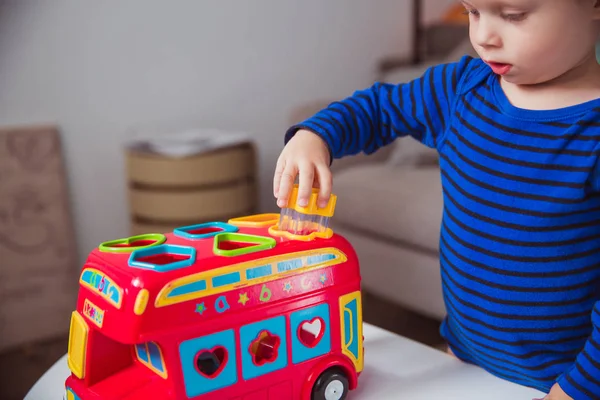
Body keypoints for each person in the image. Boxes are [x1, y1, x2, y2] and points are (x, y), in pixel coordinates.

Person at [272, 1, 600, 399]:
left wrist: (579, 386)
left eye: (513, 16)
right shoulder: (460, 88)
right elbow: (378, 108)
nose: (482, 38)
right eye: (472, 13)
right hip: (467, 358)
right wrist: (317, 136)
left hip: (568, 383)